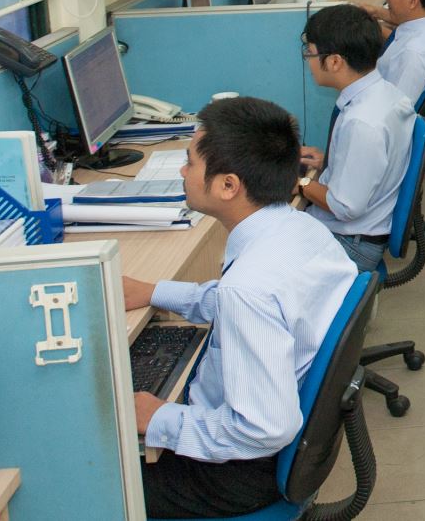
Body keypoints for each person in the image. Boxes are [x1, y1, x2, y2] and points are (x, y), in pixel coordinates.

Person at [126, 96, 356, 519]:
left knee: (85, 474)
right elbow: (246, 301)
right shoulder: (301, 228)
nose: (182, 171)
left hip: (238, 471)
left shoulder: (247, 290)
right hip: (284, 441)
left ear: (228, 186)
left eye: (190, 162)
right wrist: (154, 291)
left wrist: (159, 419)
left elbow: (261, 430)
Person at [298, 5, 415, 273]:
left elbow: (344, 206)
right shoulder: (387, 94)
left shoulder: (361, 122)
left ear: (334, 62)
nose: (307, 60)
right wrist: (331, 162)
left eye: (310, 52)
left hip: (351, 245)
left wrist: (300, 183)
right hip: (360, 231)